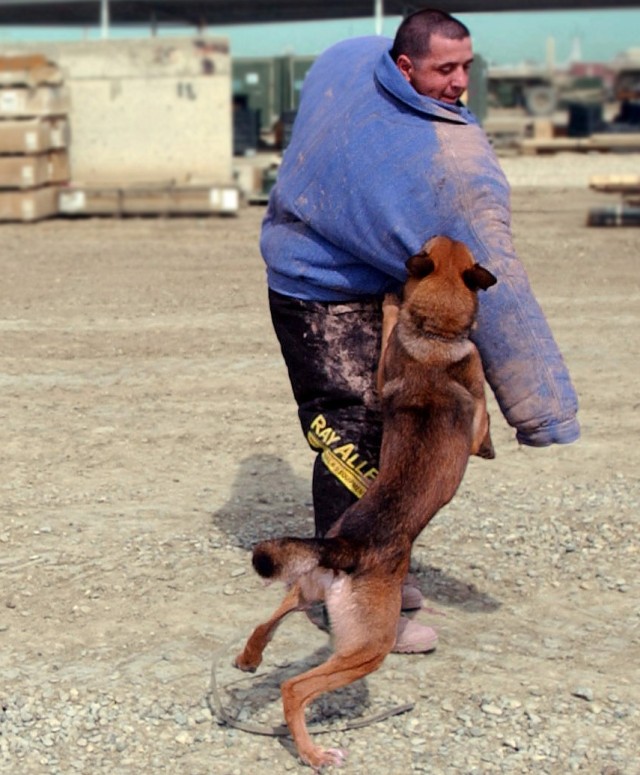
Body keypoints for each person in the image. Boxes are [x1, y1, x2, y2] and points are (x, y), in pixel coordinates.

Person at [259, 8, 580, 653]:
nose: (460, 81)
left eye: (467, 66)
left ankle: (376, 563)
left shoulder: (356, 58)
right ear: (403, 65)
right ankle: (343, 591)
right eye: (444, 69)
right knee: (350, 434)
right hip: (314, 287)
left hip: (351, 267)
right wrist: (546, 413)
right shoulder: (440, 164)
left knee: (399, 433)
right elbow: (502, 289)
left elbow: (352, 50)